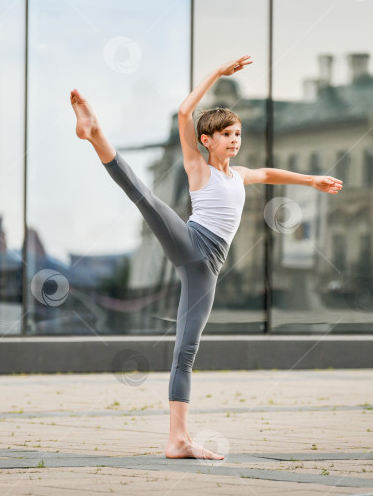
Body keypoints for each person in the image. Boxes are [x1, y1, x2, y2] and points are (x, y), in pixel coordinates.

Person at [70, 55, 343, 460]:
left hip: (209, 268)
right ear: (206, 141)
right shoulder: (199, 168)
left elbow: (268, 174)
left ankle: (177, 439)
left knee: (186, 350)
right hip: (191, 241)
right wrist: (217, 73)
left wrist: (312, 180)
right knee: (144, 196)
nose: (234, 139)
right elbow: (184, 112)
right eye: (226, 134)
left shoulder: (238, 175)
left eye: (237, 133)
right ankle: (94, 133)